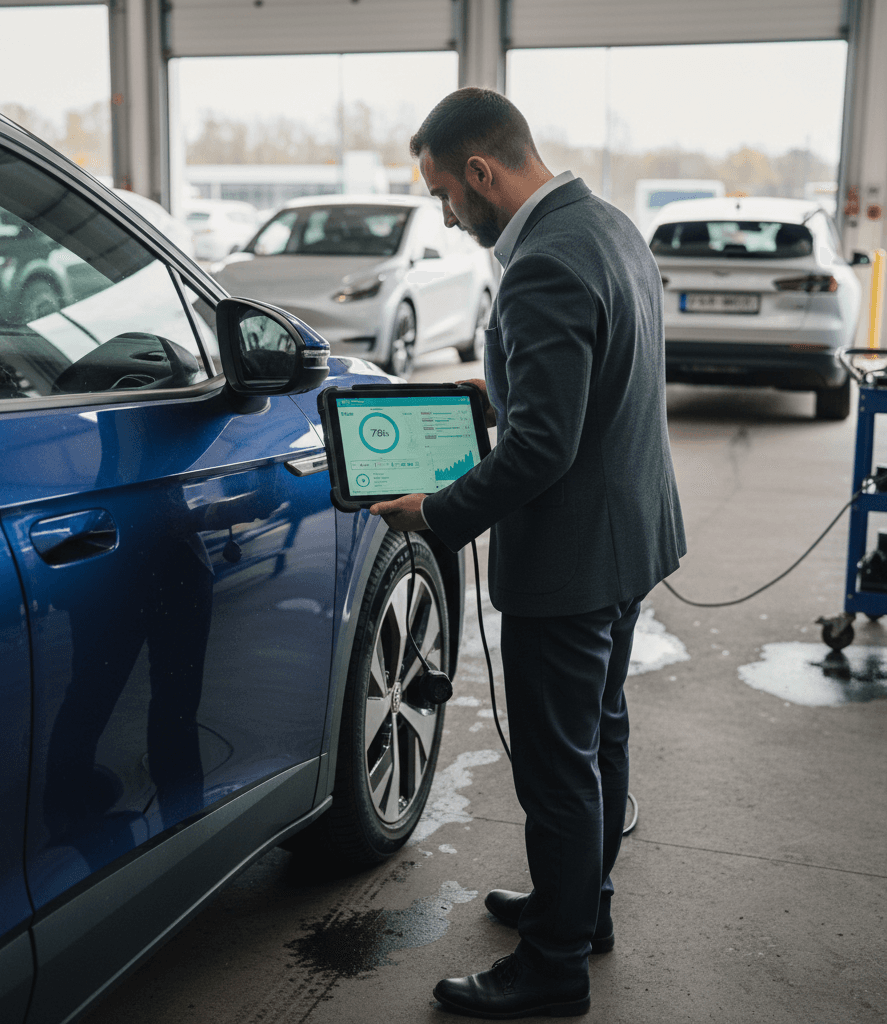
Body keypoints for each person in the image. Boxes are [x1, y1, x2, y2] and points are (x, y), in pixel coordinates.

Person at [370, 88, 686, 1019]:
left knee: (557, 766)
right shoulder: (610, 226)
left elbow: (543, 447)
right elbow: (586, 378)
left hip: (571, 563)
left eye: (442, 195)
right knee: (601, 735)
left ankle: (553, 969)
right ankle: (581, 911)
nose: (443, 214)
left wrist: (436, 512)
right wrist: (488, 386)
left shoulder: (543, 263)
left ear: (481, 172)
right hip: (630, 539)